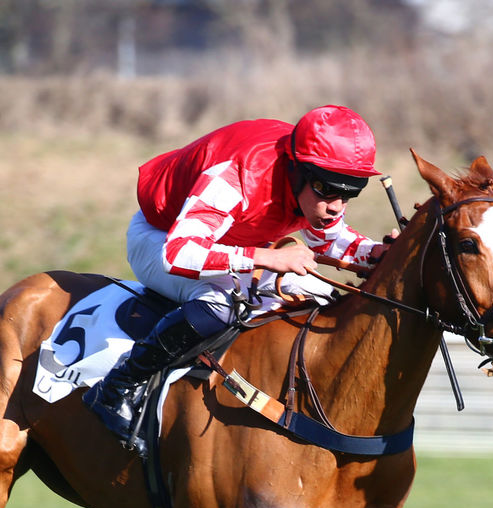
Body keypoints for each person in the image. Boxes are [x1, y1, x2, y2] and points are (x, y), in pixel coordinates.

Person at [84, 105, 392, 443]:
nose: (336, 206)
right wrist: (265, 258)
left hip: (228, 242)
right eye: (327, 190)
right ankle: (118, 386)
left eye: (349, 193)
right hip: (161, 237)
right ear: (298, 170)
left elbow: (330, 240)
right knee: (223, 301)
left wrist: (376, 253)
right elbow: (179, 254)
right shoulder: (236, 175)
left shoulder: (314, 185)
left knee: (318, 295)